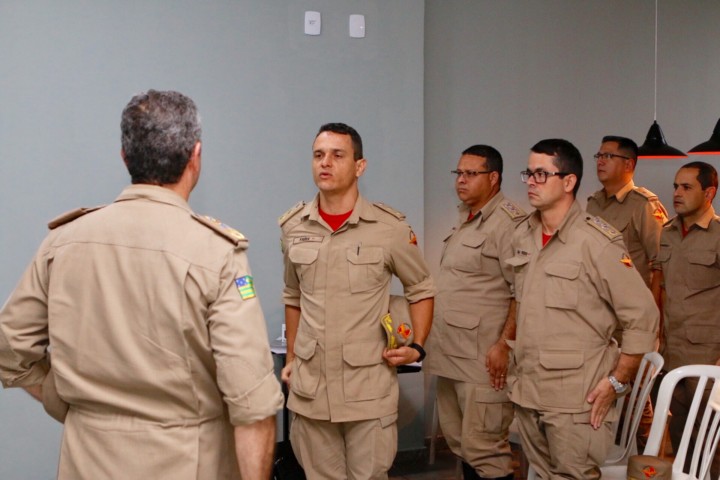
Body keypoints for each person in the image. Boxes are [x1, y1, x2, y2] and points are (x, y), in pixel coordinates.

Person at [0, 90, 284, 480]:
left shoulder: (63, 242)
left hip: (87, 460)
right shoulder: (216, 253)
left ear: (125, 156)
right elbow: (252, 404)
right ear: (195, 155)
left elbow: (10, 348)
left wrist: (68, 401)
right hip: (188, 461)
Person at [279, 122, 435, 480]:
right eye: (319, 155)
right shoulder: (294, 227)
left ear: (359, 166)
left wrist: (417, 347)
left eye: (337, 155)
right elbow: (293, 295)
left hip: (367, 388)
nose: (325, 163)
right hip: (311, 390)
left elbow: (421, 287)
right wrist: (290, 359)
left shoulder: (389, 229)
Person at [507, 138, 658, 479]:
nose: (531, 181)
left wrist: (617, 380)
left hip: (577, 398)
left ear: (569, 182)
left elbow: (643, 316)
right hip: (528, 390)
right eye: (528, 173)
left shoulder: (596, 241)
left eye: (541, 174)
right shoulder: (523, 236)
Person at [424, 145, 524, 480]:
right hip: (451, 353)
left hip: (483, 360)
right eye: (458, 173)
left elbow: (522, 292)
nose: (461, 180)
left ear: (493, 178)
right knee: (461, 445)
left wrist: (504, 345)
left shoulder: (509, 224)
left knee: (486, 450)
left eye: (471, 174)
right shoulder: (467, 218)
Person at [586, 135, 668, 450]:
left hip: (629, 320)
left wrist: (654, 318)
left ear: (629, 164)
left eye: (608, 156)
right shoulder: (593, 203)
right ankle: (611, 455)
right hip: (598, 318)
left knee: (636, 398)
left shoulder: (643, 205)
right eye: (598, 155)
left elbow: (660, 264)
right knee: (604, 393)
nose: (600, 161)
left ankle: (648, 461)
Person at [654, 161, 720, 475]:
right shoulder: (667, 232)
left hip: (709, 357)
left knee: (711, 443)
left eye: (686, 187)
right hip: (673, 354)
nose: (677, 193)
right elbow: (662, 289)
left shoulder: (718, 234)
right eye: (675, 186)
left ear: (709, 193)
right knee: (681, 440)